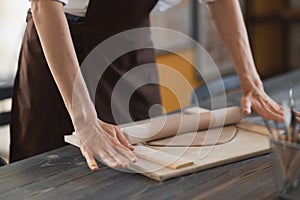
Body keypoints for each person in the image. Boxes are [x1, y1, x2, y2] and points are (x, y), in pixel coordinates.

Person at [10, 0, 284, 171]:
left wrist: (252, 85)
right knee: (55, 172)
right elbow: (45, 4)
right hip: (62, 52)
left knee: (142, 167)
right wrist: (84, 118)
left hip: (130, 51)